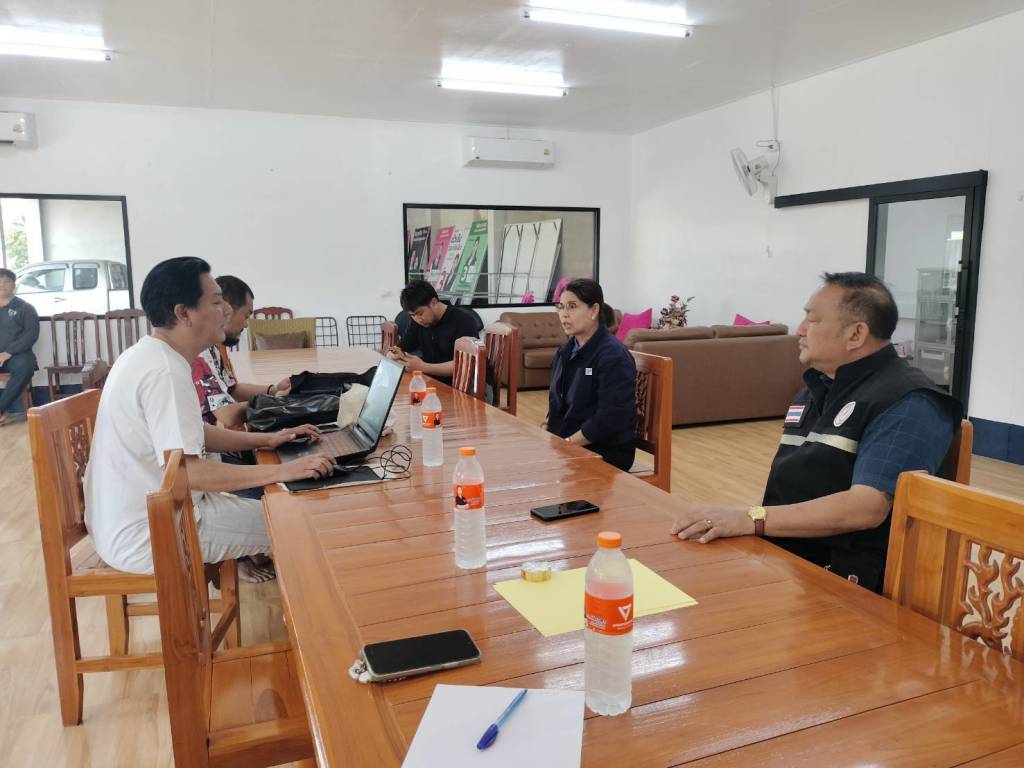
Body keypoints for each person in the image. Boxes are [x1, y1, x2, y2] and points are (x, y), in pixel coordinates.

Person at [670, 272, 962, 593]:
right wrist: (748, 522)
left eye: (812, 320)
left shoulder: (908, 401)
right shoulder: (818, 386)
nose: (800, 329)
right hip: (787, 556)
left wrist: (750, 518)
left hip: (849, 584)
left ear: (855, 334)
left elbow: (866, 507)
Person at [84, 257, 334, 576]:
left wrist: (267, 439)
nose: (226, 310)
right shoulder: (165, 372)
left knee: (287, 508)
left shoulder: (149, 355)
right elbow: (188, 472)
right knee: (306, 520)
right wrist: (283, 471)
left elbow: (193, 433)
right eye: (216, 302)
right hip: (152, 532)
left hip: (137, 517)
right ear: (183, 313)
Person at [546, 278, 637, 471]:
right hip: (571, 442)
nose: (564, 314)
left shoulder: (613, 356)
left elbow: (610, 417)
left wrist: (566, 444)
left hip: (605, 451)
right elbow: (556, 402)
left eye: (572, 307)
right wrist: (548, 434)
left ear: (594, 310)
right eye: (560, 307)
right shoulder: (565, 350)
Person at [191, 275, 292, 429]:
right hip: (201, 441)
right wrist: (273, 402)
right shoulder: (199, 353)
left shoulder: (214, 347)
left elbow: (232, 389)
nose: (246, 325)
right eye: (246, 315)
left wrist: (274, 390)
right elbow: (228, 415)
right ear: (226, 310)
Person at [388, 279, 481, 384]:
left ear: (433, 302)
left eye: (420, 313)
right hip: (434, 382)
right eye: (412, 315)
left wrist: (423, 367)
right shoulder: (417, 322)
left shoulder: (463, 321)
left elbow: (467, 365)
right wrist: (392, 352)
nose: (418, 319)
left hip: (464, 385)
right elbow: (401, 346)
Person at [0, 268, 39, 426]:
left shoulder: (25, 308)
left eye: (6, 282)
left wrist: (8, 352)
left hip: (17, 355)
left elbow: (31, 334)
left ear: (14, 285)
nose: (2, 285)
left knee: (26, 366)